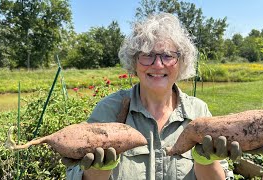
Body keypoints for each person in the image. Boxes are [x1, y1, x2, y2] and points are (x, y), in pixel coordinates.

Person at [65, 12, 243, 180]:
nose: (158, 64)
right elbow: (76, 174)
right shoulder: (110, 110)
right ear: (134, 62)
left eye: (168, 56)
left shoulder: (198, 111)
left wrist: (206, 161)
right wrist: (97, 170)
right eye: (147, 55)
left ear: (181, 63)